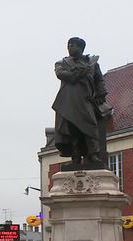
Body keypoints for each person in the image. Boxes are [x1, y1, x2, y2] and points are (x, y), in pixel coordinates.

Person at [52, 37, 111, 165]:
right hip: (68, 101)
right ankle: (76, 156)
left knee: (90, 126)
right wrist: (80, 72)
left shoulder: (93, 64)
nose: (70, 47)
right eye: (68, 45)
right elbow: (62, 74)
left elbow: (99, 80)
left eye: (73, 45)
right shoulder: (62, 63)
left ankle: (93, 154)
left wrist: (101, 95)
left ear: (81, 48)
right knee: (72, 129)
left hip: (86, 100)